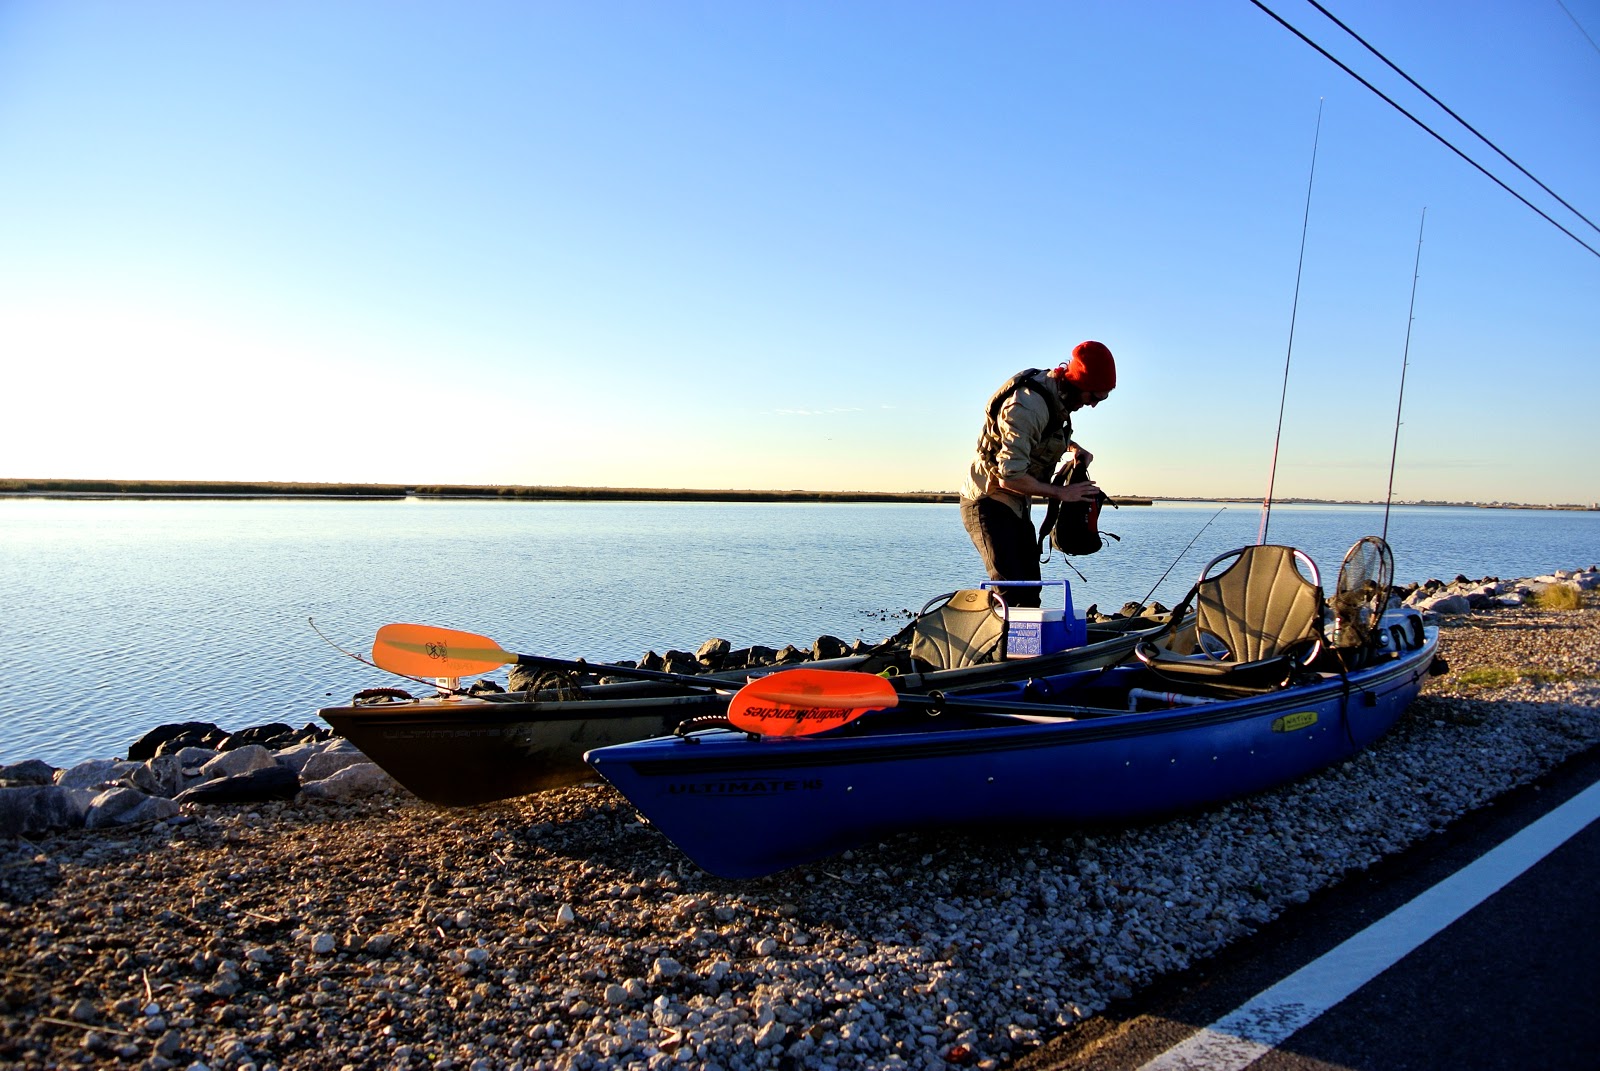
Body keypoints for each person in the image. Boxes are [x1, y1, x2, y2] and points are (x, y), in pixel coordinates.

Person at [959, 340, 1116, 608]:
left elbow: (1037, 438)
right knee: (1011, 593)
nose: (1094, 405)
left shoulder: (1057, 396)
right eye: (1094, 397)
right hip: (987, 501)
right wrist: (1062, 493)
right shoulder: (1027, 406)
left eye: (1103, 398)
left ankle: (1033, 647)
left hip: (1016, 504)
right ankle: (997, 647)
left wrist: (1074, 449)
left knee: (1030, 592)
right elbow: (1009, 475)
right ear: (1077, 383)